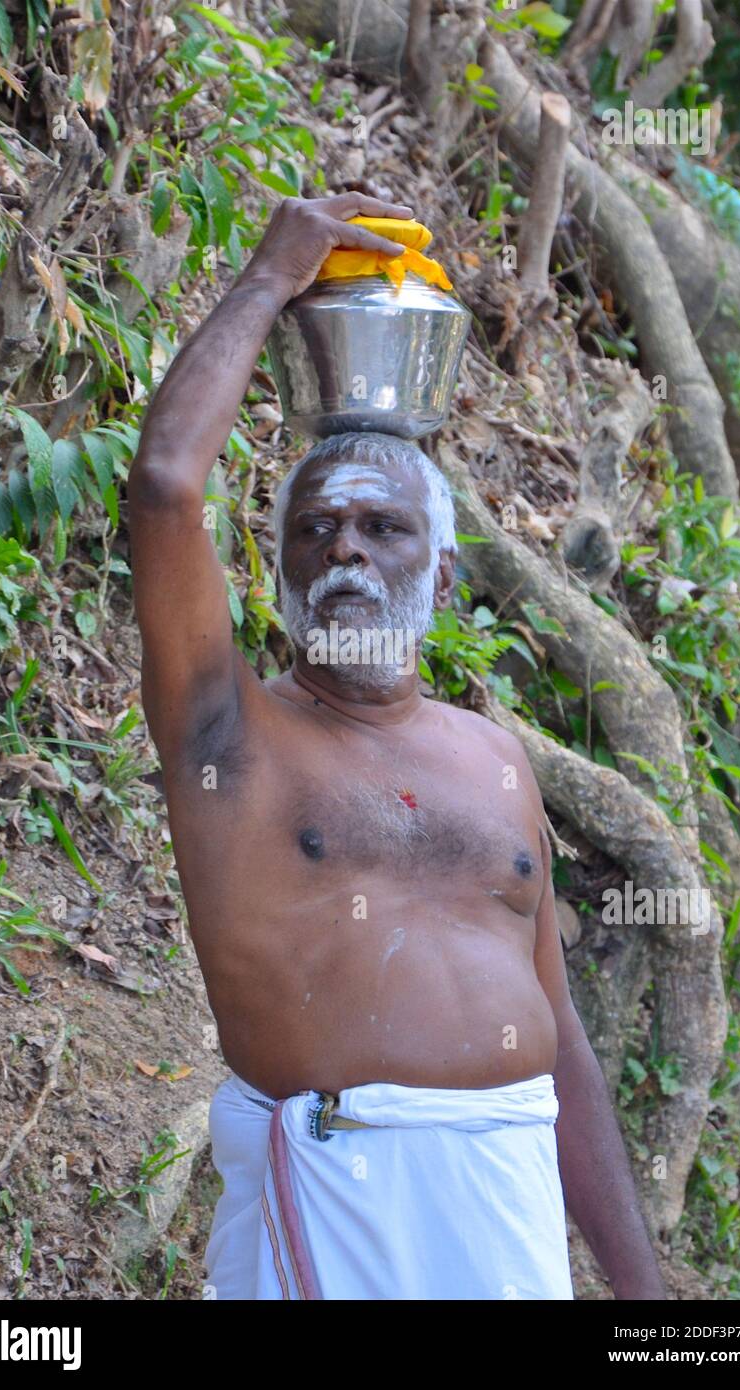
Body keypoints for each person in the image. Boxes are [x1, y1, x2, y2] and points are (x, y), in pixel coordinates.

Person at [126, 193, 666, 1301]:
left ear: (443, 572)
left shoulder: (496, 759)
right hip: (338, 1190)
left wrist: (643, 1295)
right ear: (273, 568)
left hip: (509, 1199)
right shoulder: (231, 734)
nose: (346, 552)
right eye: (314, 528)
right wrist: (274, 273)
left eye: (383, 528)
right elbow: (167, 487)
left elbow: (558, 1038)